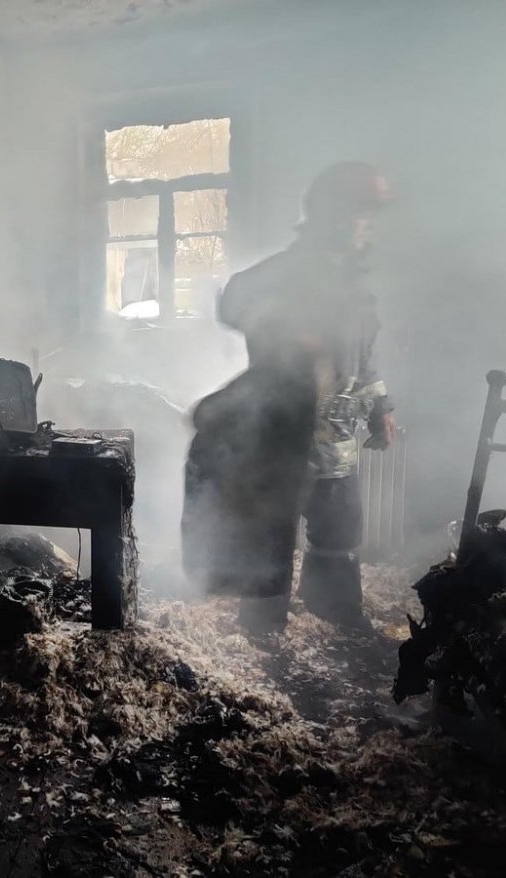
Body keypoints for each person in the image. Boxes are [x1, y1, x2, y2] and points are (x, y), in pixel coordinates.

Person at [183, 162, 396, 634]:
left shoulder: (356, 290)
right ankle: (263, 632)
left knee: (338, 529)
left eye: (369, 217)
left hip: (336, 435)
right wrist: (283, 328)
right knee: (270, 536)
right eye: (359, 215)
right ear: (331, 216)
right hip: (282, 434)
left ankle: (334, 614)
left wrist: (382, 407)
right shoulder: (281, 274)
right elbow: (233, 301)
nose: (366, 227)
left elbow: (366, 357)